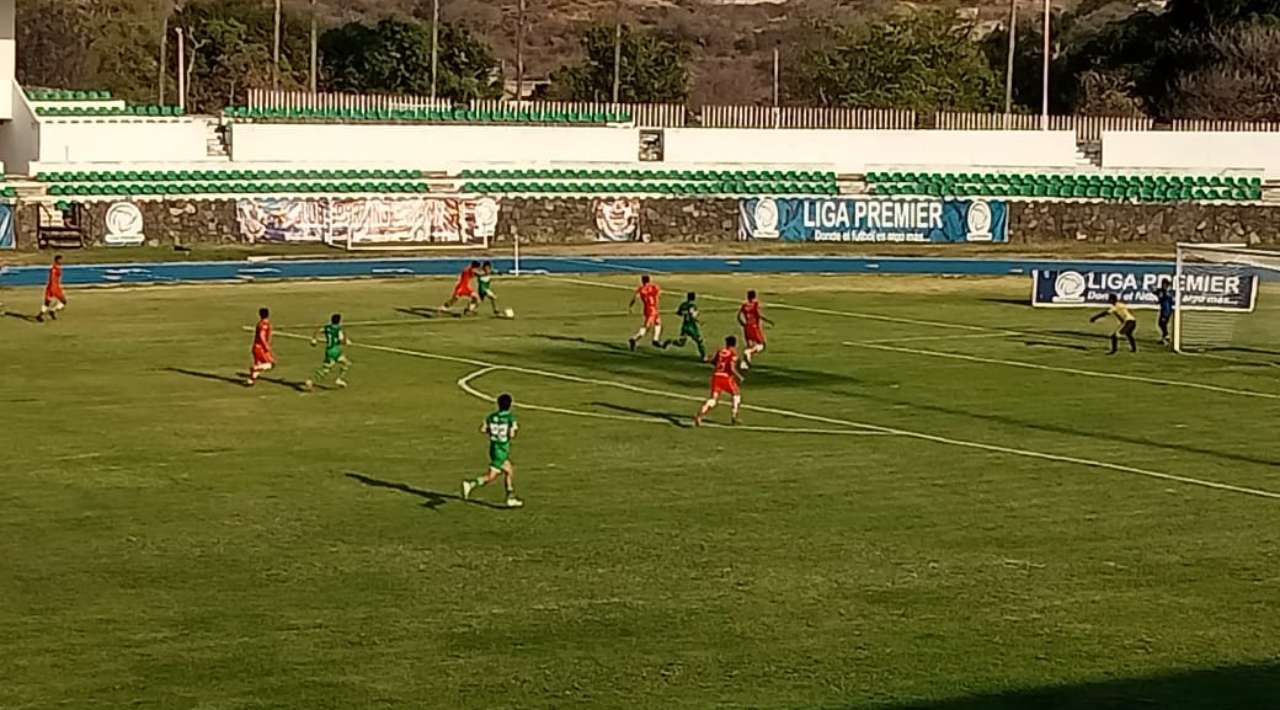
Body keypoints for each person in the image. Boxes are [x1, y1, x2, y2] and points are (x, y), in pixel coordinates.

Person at [462, 393, 524, 508]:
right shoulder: (510, 418)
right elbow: (512, 434)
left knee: (509, 471)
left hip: (493, 447)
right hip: (502, 449)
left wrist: (493, 433)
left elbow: (483, 429)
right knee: (491, 476)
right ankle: (471, 484)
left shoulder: (491, 417)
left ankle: (510, 497)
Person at [694, 336, 744, 426]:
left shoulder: (720, 351)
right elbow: (731, 368)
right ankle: (734, 416)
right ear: (735, 344)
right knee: (736, 394)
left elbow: (714, 361)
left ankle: (700, 414)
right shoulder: (733, 354)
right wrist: (739, 376)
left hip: (716, 376)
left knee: (713, 399)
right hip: (725, 378)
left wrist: (706, 360)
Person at [304, 313, 352, 391]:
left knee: (346, 363)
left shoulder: (327, 327)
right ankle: (310, 381)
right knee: (326, 370)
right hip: (334, 350)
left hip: (331, 350)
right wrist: (347, 342)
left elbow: (317, 331)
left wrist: (314, 340)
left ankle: (338, 380)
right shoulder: (339, 329)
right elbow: (342, 340)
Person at [658, 291, 707, 360]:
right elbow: (693, 316)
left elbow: (678, 313)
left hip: (685, 326)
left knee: (681, 343)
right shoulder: (692, 306)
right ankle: (704, 357)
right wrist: (699, 321)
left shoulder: (683, 305)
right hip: (691, 327)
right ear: (694, 298)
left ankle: (670, 341)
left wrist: (684, 313)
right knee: (699, 340)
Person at [737, 289, 774, 369]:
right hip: (754, 327)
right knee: (761, 345)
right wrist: (768, 321)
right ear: (754, 296)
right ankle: (749, 352)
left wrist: (743, 324)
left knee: (749, 345)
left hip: (747, 326)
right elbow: (758, 314)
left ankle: (744, 364)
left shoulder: (744, 305)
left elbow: (738, 316)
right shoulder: (755, 304)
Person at [627, 274, 663, 351]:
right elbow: (659, 294)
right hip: (653, 309)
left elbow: (635, 298)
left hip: (647, 309)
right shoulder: (654, 286)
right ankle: (634, 339)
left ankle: (655, 339)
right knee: (647, 326)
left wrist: (631, 306)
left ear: (642, 281)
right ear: (649, 280)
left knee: (658, 322)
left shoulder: (641, 289)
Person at [246, 307, 275, 386]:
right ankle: (255, 369)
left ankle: (251, 380)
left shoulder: (260, 323)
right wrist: (266, 346)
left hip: (255, 347)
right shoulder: (264, 324)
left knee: (258, 363)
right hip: (260, 348)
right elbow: (262, 335)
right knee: (271, 364)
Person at [36, 254, 66, 322]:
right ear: (57, 260)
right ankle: (41, 315)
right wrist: (52, 288)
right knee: (48, 302)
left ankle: (51, 311)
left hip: (56, 287)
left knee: (63, 301)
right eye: (60, 260)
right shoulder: (54, 269)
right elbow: (52, 279)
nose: (61, 261)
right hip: (52, 287)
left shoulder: (57, 268)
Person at [1155, 278, 1175, 346]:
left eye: (1166, 284)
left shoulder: (1167, 292)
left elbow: (1167, 301)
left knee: (1162, 324)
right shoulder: (1163, 291)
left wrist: (1165, 314)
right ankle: (1164, 338)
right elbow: (1157, 293)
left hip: (1166, 310)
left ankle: (1166, 338)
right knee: (1161, 324)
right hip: (1164, 309)